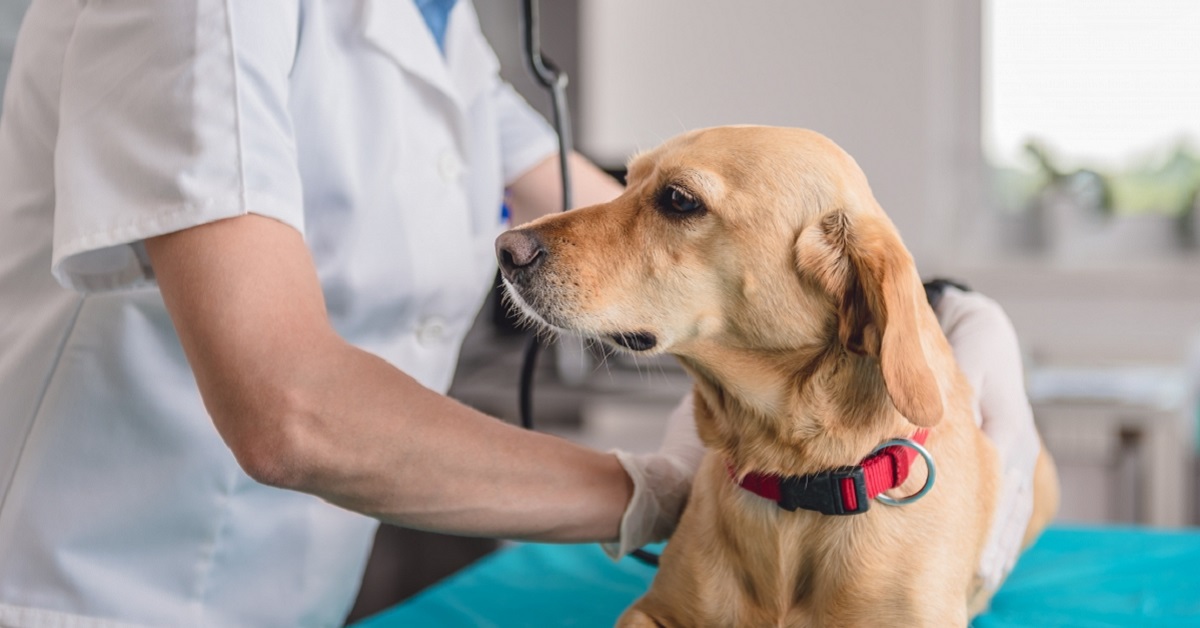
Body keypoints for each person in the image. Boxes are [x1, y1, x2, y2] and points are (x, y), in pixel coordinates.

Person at [0, 1, 1038, 626]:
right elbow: (290, 409)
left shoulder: (442, 34)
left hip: (296, 596)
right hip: (93, 592)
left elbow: (632, 221)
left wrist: (940, 308)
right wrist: (662, 492)